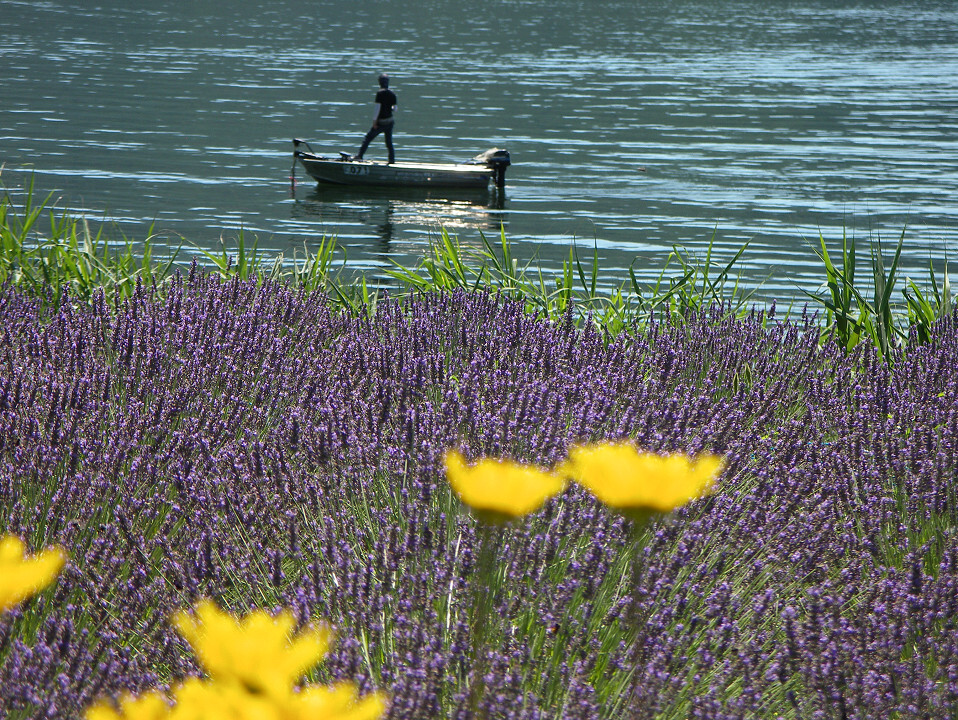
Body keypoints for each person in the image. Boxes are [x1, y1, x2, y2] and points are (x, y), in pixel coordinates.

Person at [355, 73, 397, 163]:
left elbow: (377, 109)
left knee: (368, 138)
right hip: (390, 121)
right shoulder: (392, 93)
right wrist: (389, 107)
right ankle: (392, 160)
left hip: (381, 122)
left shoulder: (380, 93)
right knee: (389, 142)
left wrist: (374, 122)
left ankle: (359, 156)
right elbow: (395, 109)